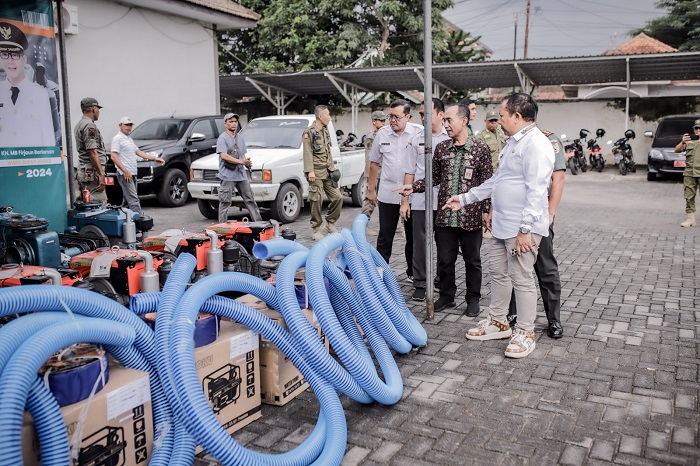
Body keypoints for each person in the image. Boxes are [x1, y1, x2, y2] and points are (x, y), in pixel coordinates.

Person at [444, 93, 554, 359]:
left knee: (522, 278)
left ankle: (525, 332)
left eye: (502, 115)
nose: (499, 119)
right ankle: (498, 321)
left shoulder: (536, 144)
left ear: (517, 116)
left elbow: (537, 190)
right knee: (498, 273)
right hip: (503, 226)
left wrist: (525, 229)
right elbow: (497, 181)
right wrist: (465, 198)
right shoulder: (512, 143)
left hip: (521, 229)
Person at [403, 103, 492, 313]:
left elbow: (487, 183)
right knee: (445, 260)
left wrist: (487, 211)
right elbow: (433, 177)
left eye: (449, 120)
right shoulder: (442, 148)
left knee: (472, 260)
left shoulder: (480, 149)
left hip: (471, 216)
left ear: (464, 120)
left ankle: (473, 299)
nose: (446, 125)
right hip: (445, 215)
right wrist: (414, 187)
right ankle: (446, 295)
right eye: (444, 120)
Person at [505, 129, 566, 339]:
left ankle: (553, 319)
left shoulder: (548, 139)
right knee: (516, 265)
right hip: (514, 215)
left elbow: (558, 178)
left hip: (539, 216)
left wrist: (550, 214)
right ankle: (513, 313)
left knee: (545, 267)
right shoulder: (513, 141)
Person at [367, 99, 422, 273]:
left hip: (412, 195)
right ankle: (380, 272)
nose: (392, 120)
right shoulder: (382, 134)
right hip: (388, 194)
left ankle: (412, 272)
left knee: (413, 237)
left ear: (408, 117)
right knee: (385, 236)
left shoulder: (419, 133)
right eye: (390, 116)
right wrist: (371, 190)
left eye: (396, 117)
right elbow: (374, 162)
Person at [401, 98, 449, 301]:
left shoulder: (451, 138)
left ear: (441, 114)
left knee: (445, 244)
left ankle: (441, 281)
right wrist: (405, 202)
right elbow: (409, 172)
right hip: (421, 200)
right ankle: (420, 282)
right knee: (419, 243)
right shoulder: (416, 139)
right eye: (421, 114)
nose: (423, 118)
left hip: (446, 201)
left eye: (427, 114)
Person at [0, 22, 54, 148]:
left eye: (15, 55)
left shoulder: (40, 94)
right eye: (5, 55)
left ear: (24, 60)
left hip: (32, 158)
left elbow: (48, 137)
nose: (10, 61)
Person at [302, 105, 342, 240]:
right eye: (328, 115)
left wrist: (332, 168)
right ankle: (316, 229)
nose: (330, 118)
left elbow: (328, 152)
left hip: (328, 171)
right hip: (316, 172)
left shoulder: (325, 131)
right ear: (320, 116)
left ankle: (330, 223)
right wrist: (310, 171)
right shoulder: (309, 132)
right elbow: (307, 153)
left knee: (338, 197)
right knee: (316, 200)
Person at [110, 117, 165, 214]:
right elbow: (114, 157)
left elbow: (139, 152)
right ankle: (139, 220)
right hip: (125, 174)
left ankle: (123, 219)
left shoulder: (129, 139)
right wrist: (125, 171)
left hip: (132, 173)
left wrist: (154, 158)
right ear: (120, 126)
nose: (128, 127)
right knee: (133, 200)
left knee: (127, 201)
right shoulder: (117, 139)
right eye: (126, 125)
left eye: (130, 125)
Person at [217, 112, 262, 223]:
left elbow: (242, 155)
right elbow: (224, 156)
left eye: (235, 121)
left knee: (250, 200)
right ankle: (222, 227)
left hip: (241, 176)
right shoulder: (222, 138)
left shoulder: (240, 138)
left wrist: (247, 163)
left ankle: (259, 224)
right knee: (225, 203)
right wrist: (241, 162)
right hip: (227, 176)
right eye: (231, 121)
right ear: (225, 124)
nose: (234, 124)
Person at [74, 97, 108, 206]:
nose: (98, 112)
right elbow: (92, 151)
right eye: (98, 109)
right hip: (92, 172)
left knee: (88, 204)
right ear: (94, 109)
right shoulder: (89, 125)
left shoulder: (80, 124)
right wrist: (101, 174)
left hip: (86, 170)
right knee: (99, 204)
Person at [361, 110, 387, 220]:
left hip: (383, 173)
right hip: (374, 174)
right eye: (380, 121)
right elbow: (370, 159)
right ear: (374, 121)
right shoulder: (371, 137)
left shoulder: (384, 134)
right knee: (369, 201)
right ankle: (362, 224)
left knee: (385, 201)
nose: (383, 123)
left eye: (384, 120)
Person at [675, 120, 700, 228]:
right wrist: (682, 142)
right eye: (696, 128)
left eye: (699, 128)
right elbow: (676, 150)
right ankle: (690, 219)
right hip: (689, 173)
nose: (697, 130)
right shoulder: (690, 143)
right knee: (689, 197)